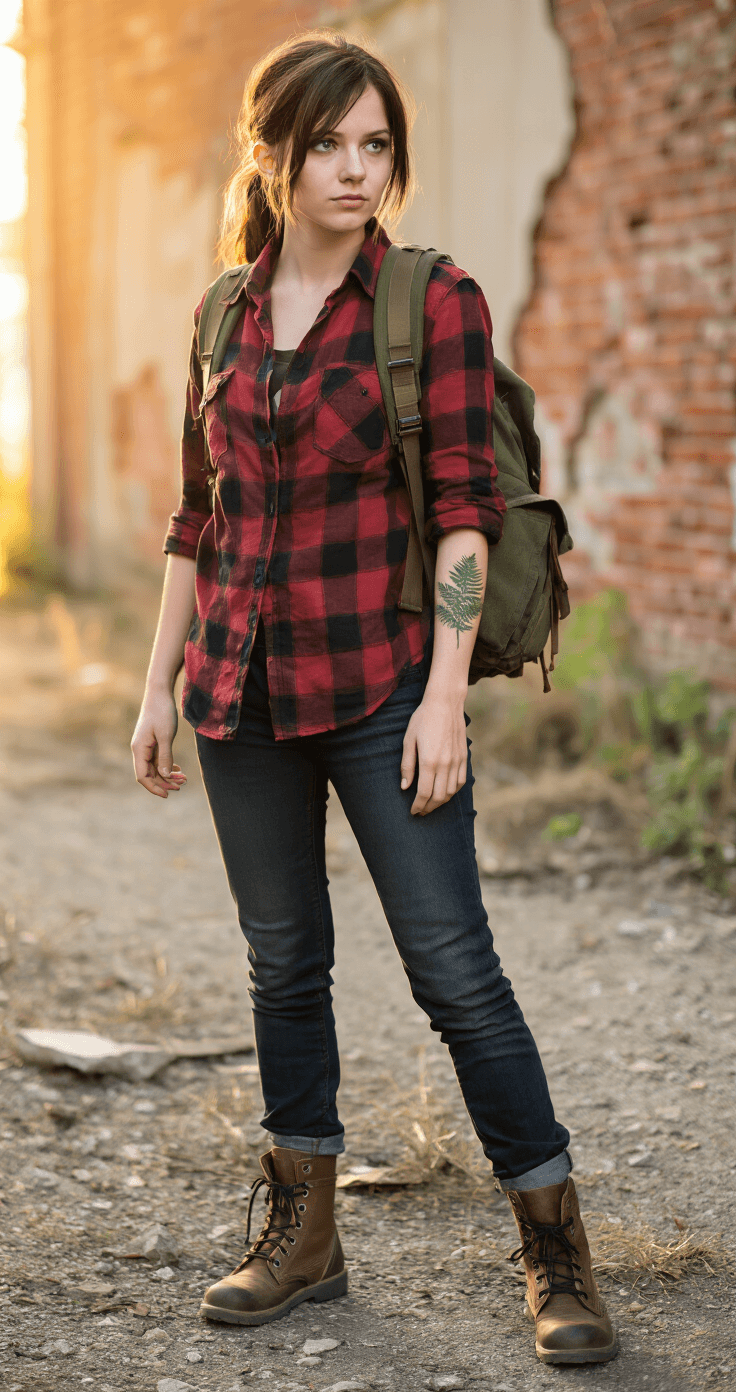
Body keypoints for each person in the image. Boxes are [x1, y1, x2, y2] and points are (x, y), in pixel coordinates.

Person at [131, 31, 617, 1366]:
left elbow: (467, 512)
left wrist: (446, 697)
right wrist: (155, 686)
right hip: (237, 690)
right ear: (275, 154)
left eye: (376, 144)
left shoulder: (428, 299)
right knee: (285, 967)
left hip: (383, 689)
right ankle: (304, 1238)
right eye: (330, 144)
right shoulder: (222, 312)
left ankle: (554, 1248)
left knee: (455, 973)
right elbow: (197, 517)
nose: (355, 169)